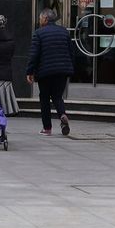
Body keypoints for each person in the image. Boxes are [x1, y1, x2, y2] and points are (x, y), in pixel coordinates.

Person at [26, 8, 74, 136]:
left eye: (40, 18)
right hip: (62, 71)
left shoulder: (39, 33)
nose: (39, 21)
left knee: (45, 98)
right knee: (57, 96)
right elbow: (71, 51)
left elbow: (34, 55)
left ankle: (47, 128)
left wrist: (29, 71)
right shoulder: (64, 32)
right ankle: (62, 114)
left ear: (46, 19)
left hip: (45, 72)